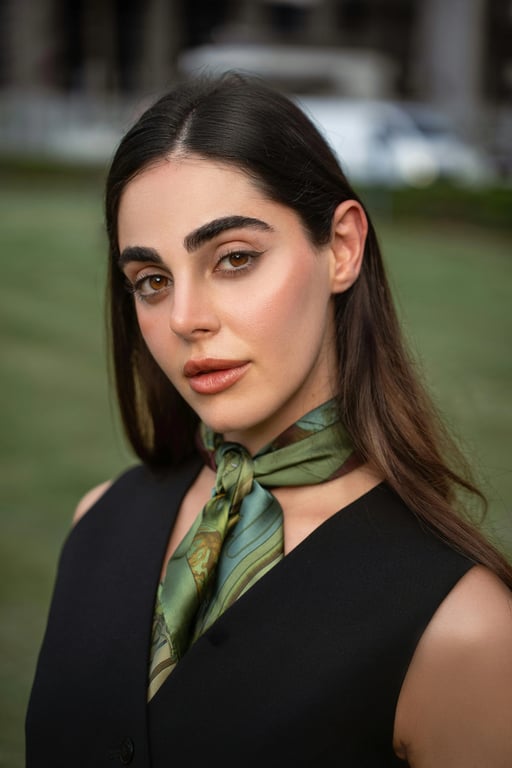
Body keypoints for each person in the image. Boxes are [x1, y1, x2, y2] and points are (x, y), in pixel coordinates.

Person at [26, 73, 512, 767]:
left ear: (341, 247)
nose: (186, 318)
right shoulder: (98, 522)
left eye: (234, 259)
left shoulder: (463, 630)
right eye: (152, 281)